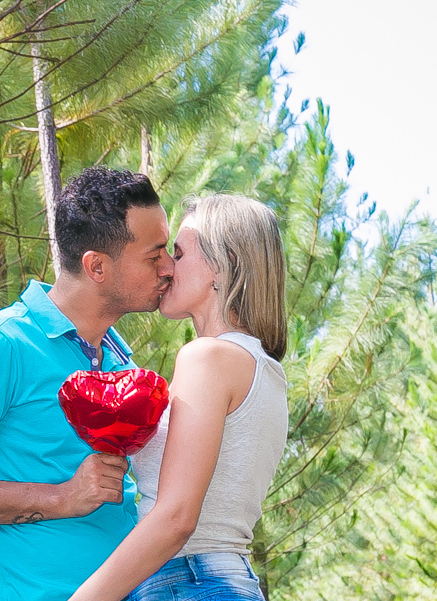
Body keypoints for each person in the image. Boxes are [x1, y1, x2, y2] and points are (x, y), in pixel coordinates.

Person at [0, 166, 175, 601]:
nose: (169, 267)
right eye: (153, 255)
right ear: (97, 266)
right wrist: (62, 497)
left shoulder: (120, 358)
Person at [68, 194, 288, 601]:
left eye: (181, 254)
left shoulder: (207, 358)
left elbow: (175, 519)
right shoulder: (262, 367)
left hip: (189, 580)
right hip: (220, 579)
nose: (167, 266)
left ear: (224, 265)